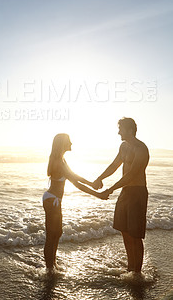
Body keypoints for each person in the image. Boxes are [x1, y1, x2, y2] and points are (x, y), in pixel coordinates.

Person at [92, 118, 149, 275]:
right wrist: (99, 178)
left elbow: (131, 175)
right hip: (125, 192)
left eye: (121, 129)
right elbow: (114, 165)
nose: (118, 132)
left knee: (135, 234)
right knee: (124, 230)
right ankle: (130, 268)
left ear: (130, 130)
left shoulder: (141, 149)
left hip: (137, 192)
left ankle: (137, 273)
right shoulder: (123, 147)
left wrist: (110, 189)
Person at [43, 133, 107, 272]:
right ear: (63, 144)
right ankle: (49, 270)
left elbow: (75, 176)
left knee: (57, 233)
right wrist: (98, 194)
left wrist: (91, 183)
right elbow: (76, 183)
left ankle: (52, 264)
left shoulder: (61, 159)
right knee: (51, 235)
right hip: (52, 200)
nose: (71, 144)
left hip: (54, 199)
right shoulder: (59, 162)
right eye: (69, 141)